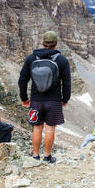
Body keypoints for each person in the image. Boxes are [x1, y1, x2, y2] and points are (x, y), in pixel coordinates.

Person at [18, 31, 71, 164]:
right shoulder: (62, 60)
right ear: (56, 43)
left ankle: (35, 156)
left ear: (43, 43)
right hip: (54, 100)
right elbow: (67, 82)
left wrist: (24, 98)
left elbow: (23, 79)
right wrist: (65, 99)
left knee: (37, 127)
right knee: (50, 128)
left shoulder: (32, 58)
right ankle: (47, 156)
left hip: (36, 99)